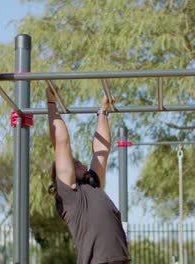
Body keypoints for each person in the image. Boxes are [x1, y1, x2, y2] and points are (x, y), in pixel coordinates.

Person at [46, 86, 130, 264]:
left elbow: (102, 150)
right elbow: (62, 142)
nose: (80, 163)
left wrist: (103, 111)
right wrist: (51, 103)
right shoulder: (69, 194)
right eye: (74, 164)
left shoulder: (93, 183)